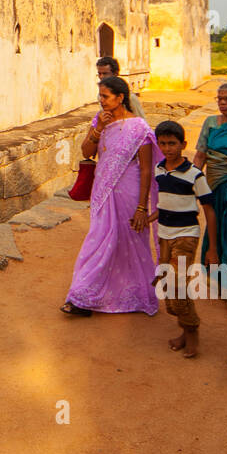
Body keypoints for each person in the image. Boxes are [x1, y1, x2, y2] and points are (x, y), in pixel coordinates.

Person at [62, 74, 162, 316]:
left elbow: (147, 169)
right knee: (99, 239)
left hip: (129, 191)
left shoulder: (139, 128)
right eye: (100, 96)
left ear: (120, 98)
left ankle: (136, 295)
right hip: (103, 190)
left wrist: (141, 208)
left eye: (106, 96)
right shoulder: (100, 121)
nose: (101, 100)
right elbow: (87, 152)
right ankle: (82, 296)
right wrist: (98, 129)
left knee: (129, 241)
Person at [153, 120, 218, 357]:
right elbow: (166, 201)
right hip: (164, 235)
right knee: (168, 286)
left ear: (183, 144)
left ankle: (192, 333)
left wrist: (212, 249)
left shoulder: (195, 175)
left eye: (172, 143)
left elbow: (209, 210)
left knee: (179, 286)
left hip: (186, 235)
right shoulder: (159, 169)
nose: (168, 148)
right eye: (163, 144)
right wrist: (148, 216)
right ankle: (184, 328)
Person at [193, 82, 227, 319]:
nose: (223, 103)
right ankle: (220, 279)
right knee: (215, 232)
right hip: (213, 185)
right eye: (220, 99)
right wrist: (191, 181)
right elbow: (201, 154)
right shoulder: (211, 123)